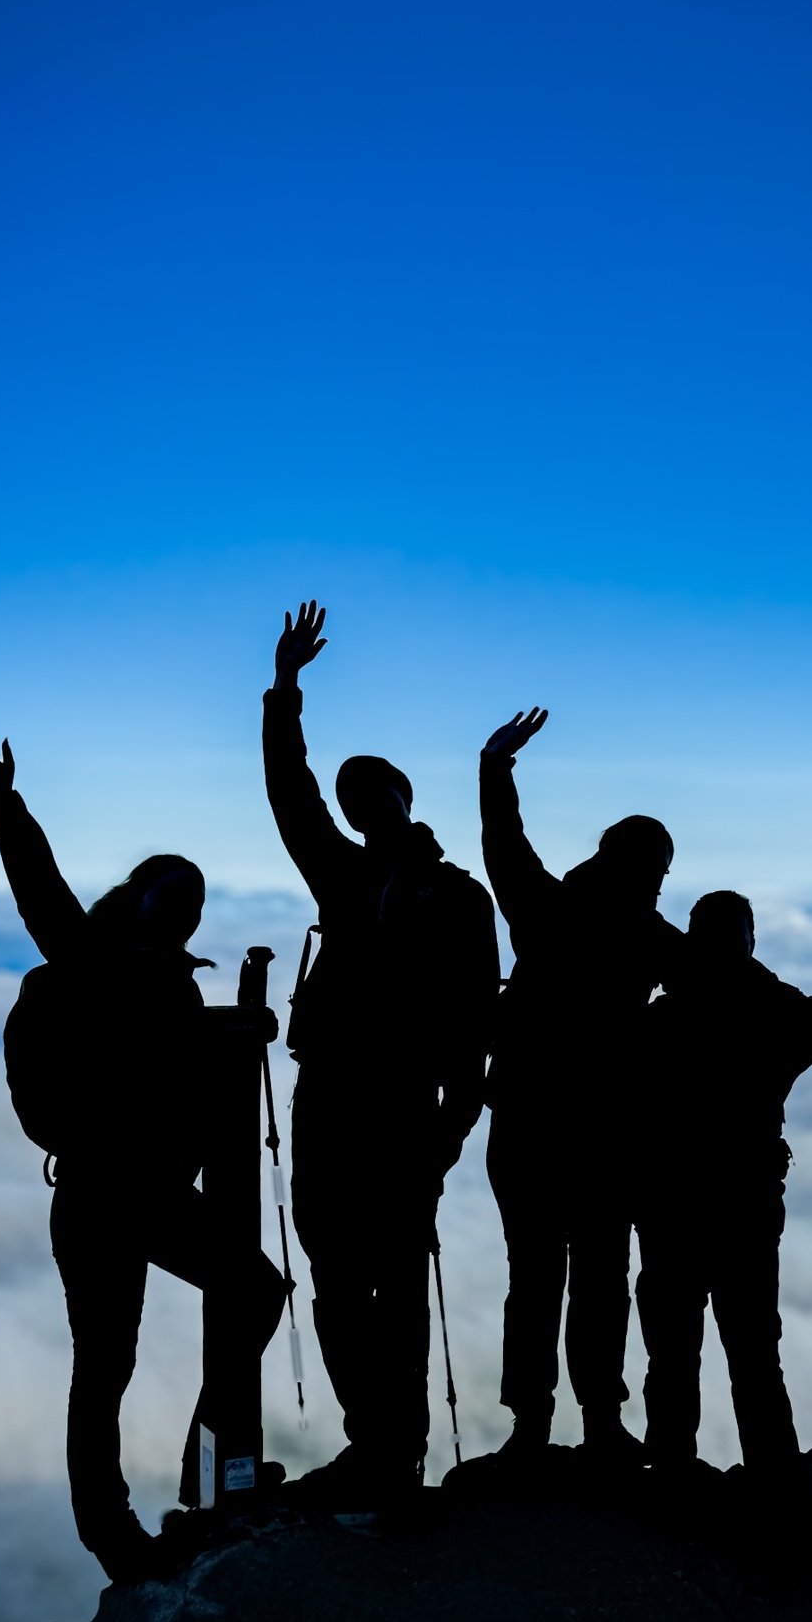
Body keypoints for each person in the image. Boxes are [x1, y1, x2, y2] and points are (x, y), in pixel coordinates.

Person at [0, 724, 286, 1584]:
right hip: (107, 1194)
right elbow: (39, 887)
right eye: (177, 896)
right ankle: (113, 1529)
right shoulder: (88, 958)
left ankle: (201, 1475)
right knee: (110, 1361)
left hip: (143, 1193)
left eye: (194, 901)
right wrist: (4, 803)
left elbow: (175, 1061)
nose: (188, 909)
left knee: (238, 1298)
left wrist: (238, 1028)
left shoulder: (172, 981)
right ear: (139, 900)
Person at [262, 604, 501, 1510]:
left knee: (386, 1281)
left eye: (373, 793)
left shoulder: (448, 895)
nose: (360, 804)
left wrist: (452, 1123)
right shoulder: (348, 872)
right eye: (355, 796)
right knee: (342, 1274)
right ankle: (380, 1445)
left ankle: (392, 1455)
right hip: (348, 1098)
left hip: (395, 1102)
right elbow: (291, 792)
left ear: (403, 800)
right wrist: (285, 692)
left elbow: (480, 1018)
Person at [476, 707, 682, 1470]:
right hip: (604, 1134)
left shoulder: (546, 910)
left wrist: (496, 767)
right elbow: (718, 988)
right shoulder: (647, 932)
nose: (659, 884)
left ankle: (533, 1430)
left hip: (530, 1127)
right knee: (599, 1281)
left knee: (535, 1280)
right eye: (659, 872)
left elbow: (505, 844)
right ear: (647, 868)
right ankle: (598, 1427)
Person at [636, 870, 812, 1491]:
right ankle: (775, 1486)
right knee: (752, 1353)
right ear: (749, 942)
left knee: (672, 1351)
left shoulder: (659, 1021)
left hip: (668, 1204)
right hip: (745, 1205)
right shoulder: (772, 1014)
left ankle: (670, 1475)